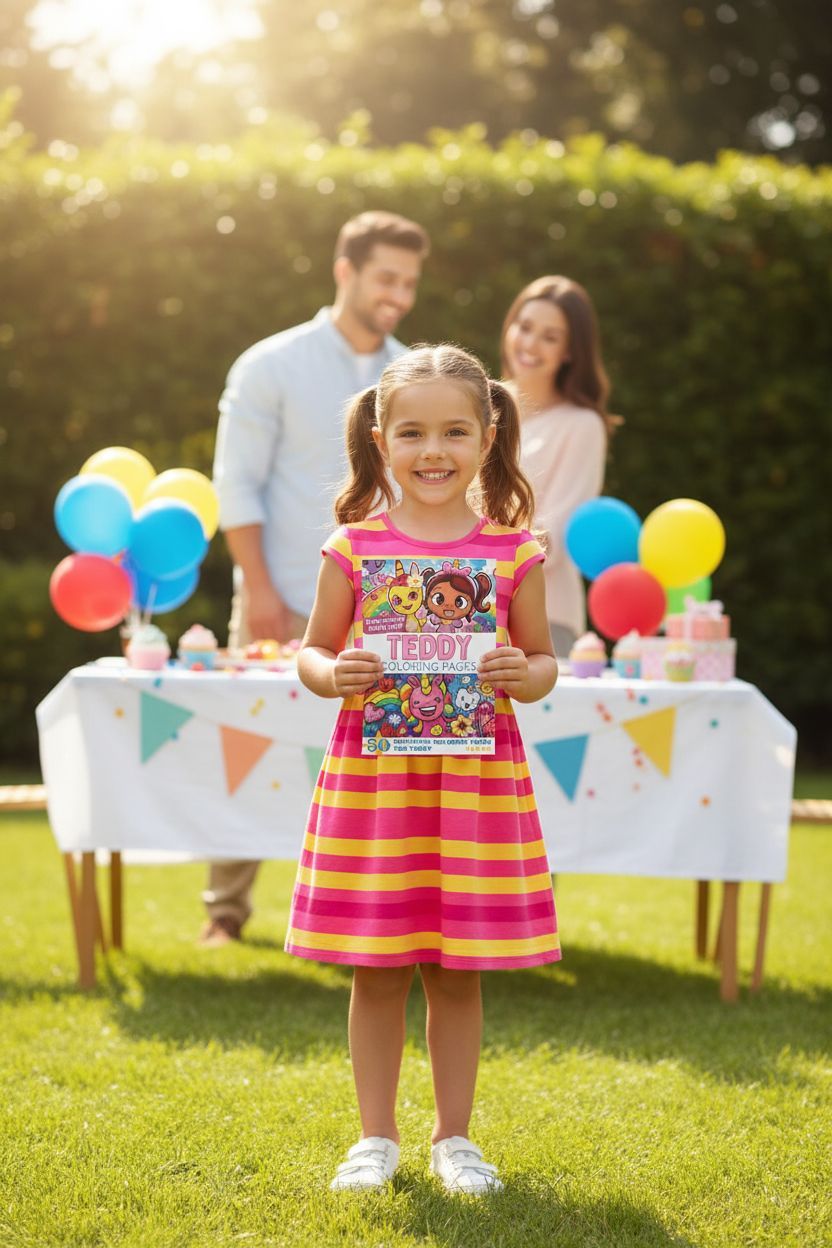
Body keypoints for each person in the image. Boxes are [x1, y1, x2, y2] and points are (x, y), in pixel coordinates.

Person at [285, 345, 560, 1193]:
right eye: (411, 432)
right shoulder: (354, 547)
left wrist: (526, 674)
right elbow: (312, 652)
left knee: (457, 971)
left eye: (452, 431)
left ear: (487, 436)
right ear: (379, 439)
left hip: (474, 789)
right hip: (379, 786)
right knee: (377, 968)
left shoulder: (514, 552)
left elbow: (546, 661)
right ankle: (376, 1138)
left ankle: (455, 1140)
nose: (431, 450)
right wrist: (337, 676)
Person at [203, 211, 430, 947]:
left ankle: (372, 916)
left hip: (384, 610)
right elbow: (235, 485)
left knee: (374, 764)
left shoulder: (410, 377)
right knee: (247, 749)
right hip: (277, 595)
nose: (398, 294)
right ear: (346, 271)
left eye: (409, 282)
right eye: (385, 278)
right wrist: (260, 589)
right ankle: (225, 913)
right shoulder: (269, 364)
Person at [500, 275, 616, 658]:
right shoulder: (479, 410)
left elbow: (556, 535)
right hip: (468, 609)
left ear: (570, 352)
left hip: (545, 617)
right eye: (525, 327)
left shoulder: (582, 425)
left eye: (549, 337)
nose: (530, 344)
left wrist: (480, 562)